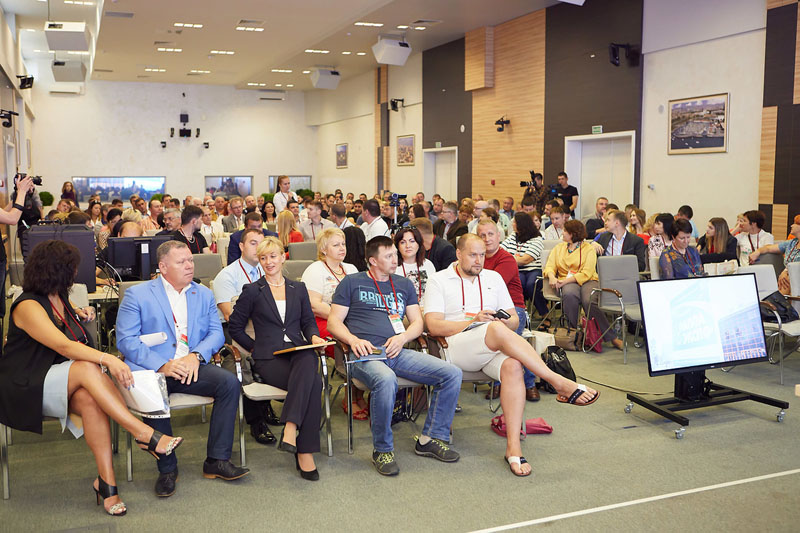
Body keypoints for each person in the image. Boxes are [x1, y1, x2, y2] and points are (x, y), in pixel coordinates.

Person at [0, 240, 184, 516]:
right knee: (88, 368)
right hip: (25, 383)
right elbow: (63, 346)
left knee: (90, 399)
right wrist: (108, 358)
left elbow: (63, 316)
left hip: (56, 376)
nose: (76, 273)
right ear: (56, 270)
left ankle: (107, 485)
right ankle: (142, 432)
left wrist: (79, 311)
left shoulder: (58, 296)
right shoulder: (26, 305)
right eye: (72, 268)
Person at [424, 234, 598, 475]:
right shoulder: (439, 279)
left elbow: (515, 319)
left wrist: (503, 323)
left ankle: (513, 449)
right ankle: (558, 381)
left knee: (514, 366)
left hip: (492, 346)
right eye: (473, 255)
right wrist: (474, 322)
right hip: (455, 346)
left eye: (482, 255)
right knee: (494, 330)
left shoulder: (493, 277)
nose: (478, 260)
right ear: (459, 254)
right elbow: (433, 326)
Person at [116, 241, 248, 497]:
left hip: (190, 367)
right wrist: (162, 365)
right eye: (181, 262)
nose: (189, 266)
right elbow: (126, 341)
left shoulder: (203, 293)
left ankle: (217, 460)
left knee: (229, 383)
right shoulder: (138, 295)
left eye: (191, 260)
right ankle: (167, 469)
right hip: (153, 370)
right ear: (163, 267)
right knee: (154, 392)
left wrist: (196, 356)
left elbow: (216, 333)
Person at [327, 236, 462, 476]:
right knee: (385, 379)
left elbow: (417, 322)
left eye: (395, 255)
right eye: (388, 256)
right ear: (372, 261)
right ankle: (382, 449)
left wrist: (403, 338)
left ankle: (430, 439)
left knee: (451, 373)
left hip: (397, 351)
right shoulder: (352, 282)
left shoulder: (403, 284)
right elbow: (333, 322)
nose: (395, 260)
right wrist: (354, 340)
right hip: (365, 354)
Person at [228, 237, 324, 481]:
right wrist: (255, 347)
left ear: (283, 257)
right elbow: (235, 327)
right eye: (263, 258)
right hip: (269, 358)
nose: (268, 262)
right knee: (314, 382)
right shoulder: (253, 290)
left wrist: (314, 337)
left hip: (297, 352)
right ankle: (304, 451)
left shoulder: (298, 288)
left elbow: (308, 322)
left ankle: (291, 428)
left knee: (308, 357)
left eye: (273, 256)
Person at [212, 229, 279, 445]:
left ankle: (269, 404)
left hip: (266, 329)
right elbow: (230, 315)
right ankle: (256, 420)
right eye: (253, 243)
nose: (259, 248)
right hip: (233, 332)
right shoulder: (227, 275)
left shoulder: (268, 269)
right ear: (241, 247)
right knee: (243, 362)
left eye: (262, 243)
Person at [476, 220, 540, 401]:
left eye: (490, 234)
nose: (487, 239)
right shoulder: (477, 258)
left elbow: (490, 288)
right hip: (485, 308)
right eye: (482, 235)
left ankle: (527, 383)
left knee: (509, 341)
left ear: (499, 236)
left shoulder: (507, 259)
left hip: (512, 308)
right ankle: (501, 382)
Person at [300, 228, 362, 415]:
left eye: (343, 244)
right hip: (323, 322)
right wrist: (340, 316)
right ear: (323, 249)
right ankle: (350, 394)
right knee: (350, 342)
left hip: (352, 322)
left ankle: (360, 391)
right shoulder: (315, 270)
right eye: (336, 245)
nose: (342, 248)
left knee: (369, 336)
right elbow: (314, 305)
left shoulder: (351, 269)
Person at [543, 220, 623, 350]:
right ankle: (573, 334)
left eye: (565, 231)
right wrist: (552, 277)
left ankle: (611, 337)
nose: (563, 233)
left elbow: (587, 272)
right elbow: (549, 266)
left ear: (573, 234)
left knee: (589, 300)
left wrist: (564, 281)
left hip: (588, 280)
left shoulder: (588, 249)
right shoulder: (558, 248)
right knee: (569, 294)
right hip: (566, 281)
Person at [748, 214, 800, 294]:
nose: (791, 225)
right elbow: (768, 248)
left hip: (794, 277)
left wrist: (786, 271)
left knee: (787, 278)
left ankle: (778, 300)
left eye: (795, 223)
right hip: (788, 277)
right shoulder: (791, 243)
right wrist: (757, 252)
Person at [501, 212, 544, 306]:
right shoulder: (513, 236)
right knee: (518, 283)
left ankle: (543, 311)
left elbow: (525, 260)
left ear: (521, 224)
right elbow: (501, 250)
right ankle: (521, 308)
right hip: (517, 269)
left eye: (514, 222)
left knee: (531, 284)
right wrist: (514, 259)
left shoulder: (537, 238)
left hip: (533, 269)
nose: (512, 224)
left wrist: (508, 259)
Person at [394, 226, 436, 305]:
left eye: (412, 241)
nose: (408, 246)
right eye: (403, 242)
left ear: (418, 244)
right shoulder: (393, 267)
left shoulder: (428, 264)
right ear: (397, 246)